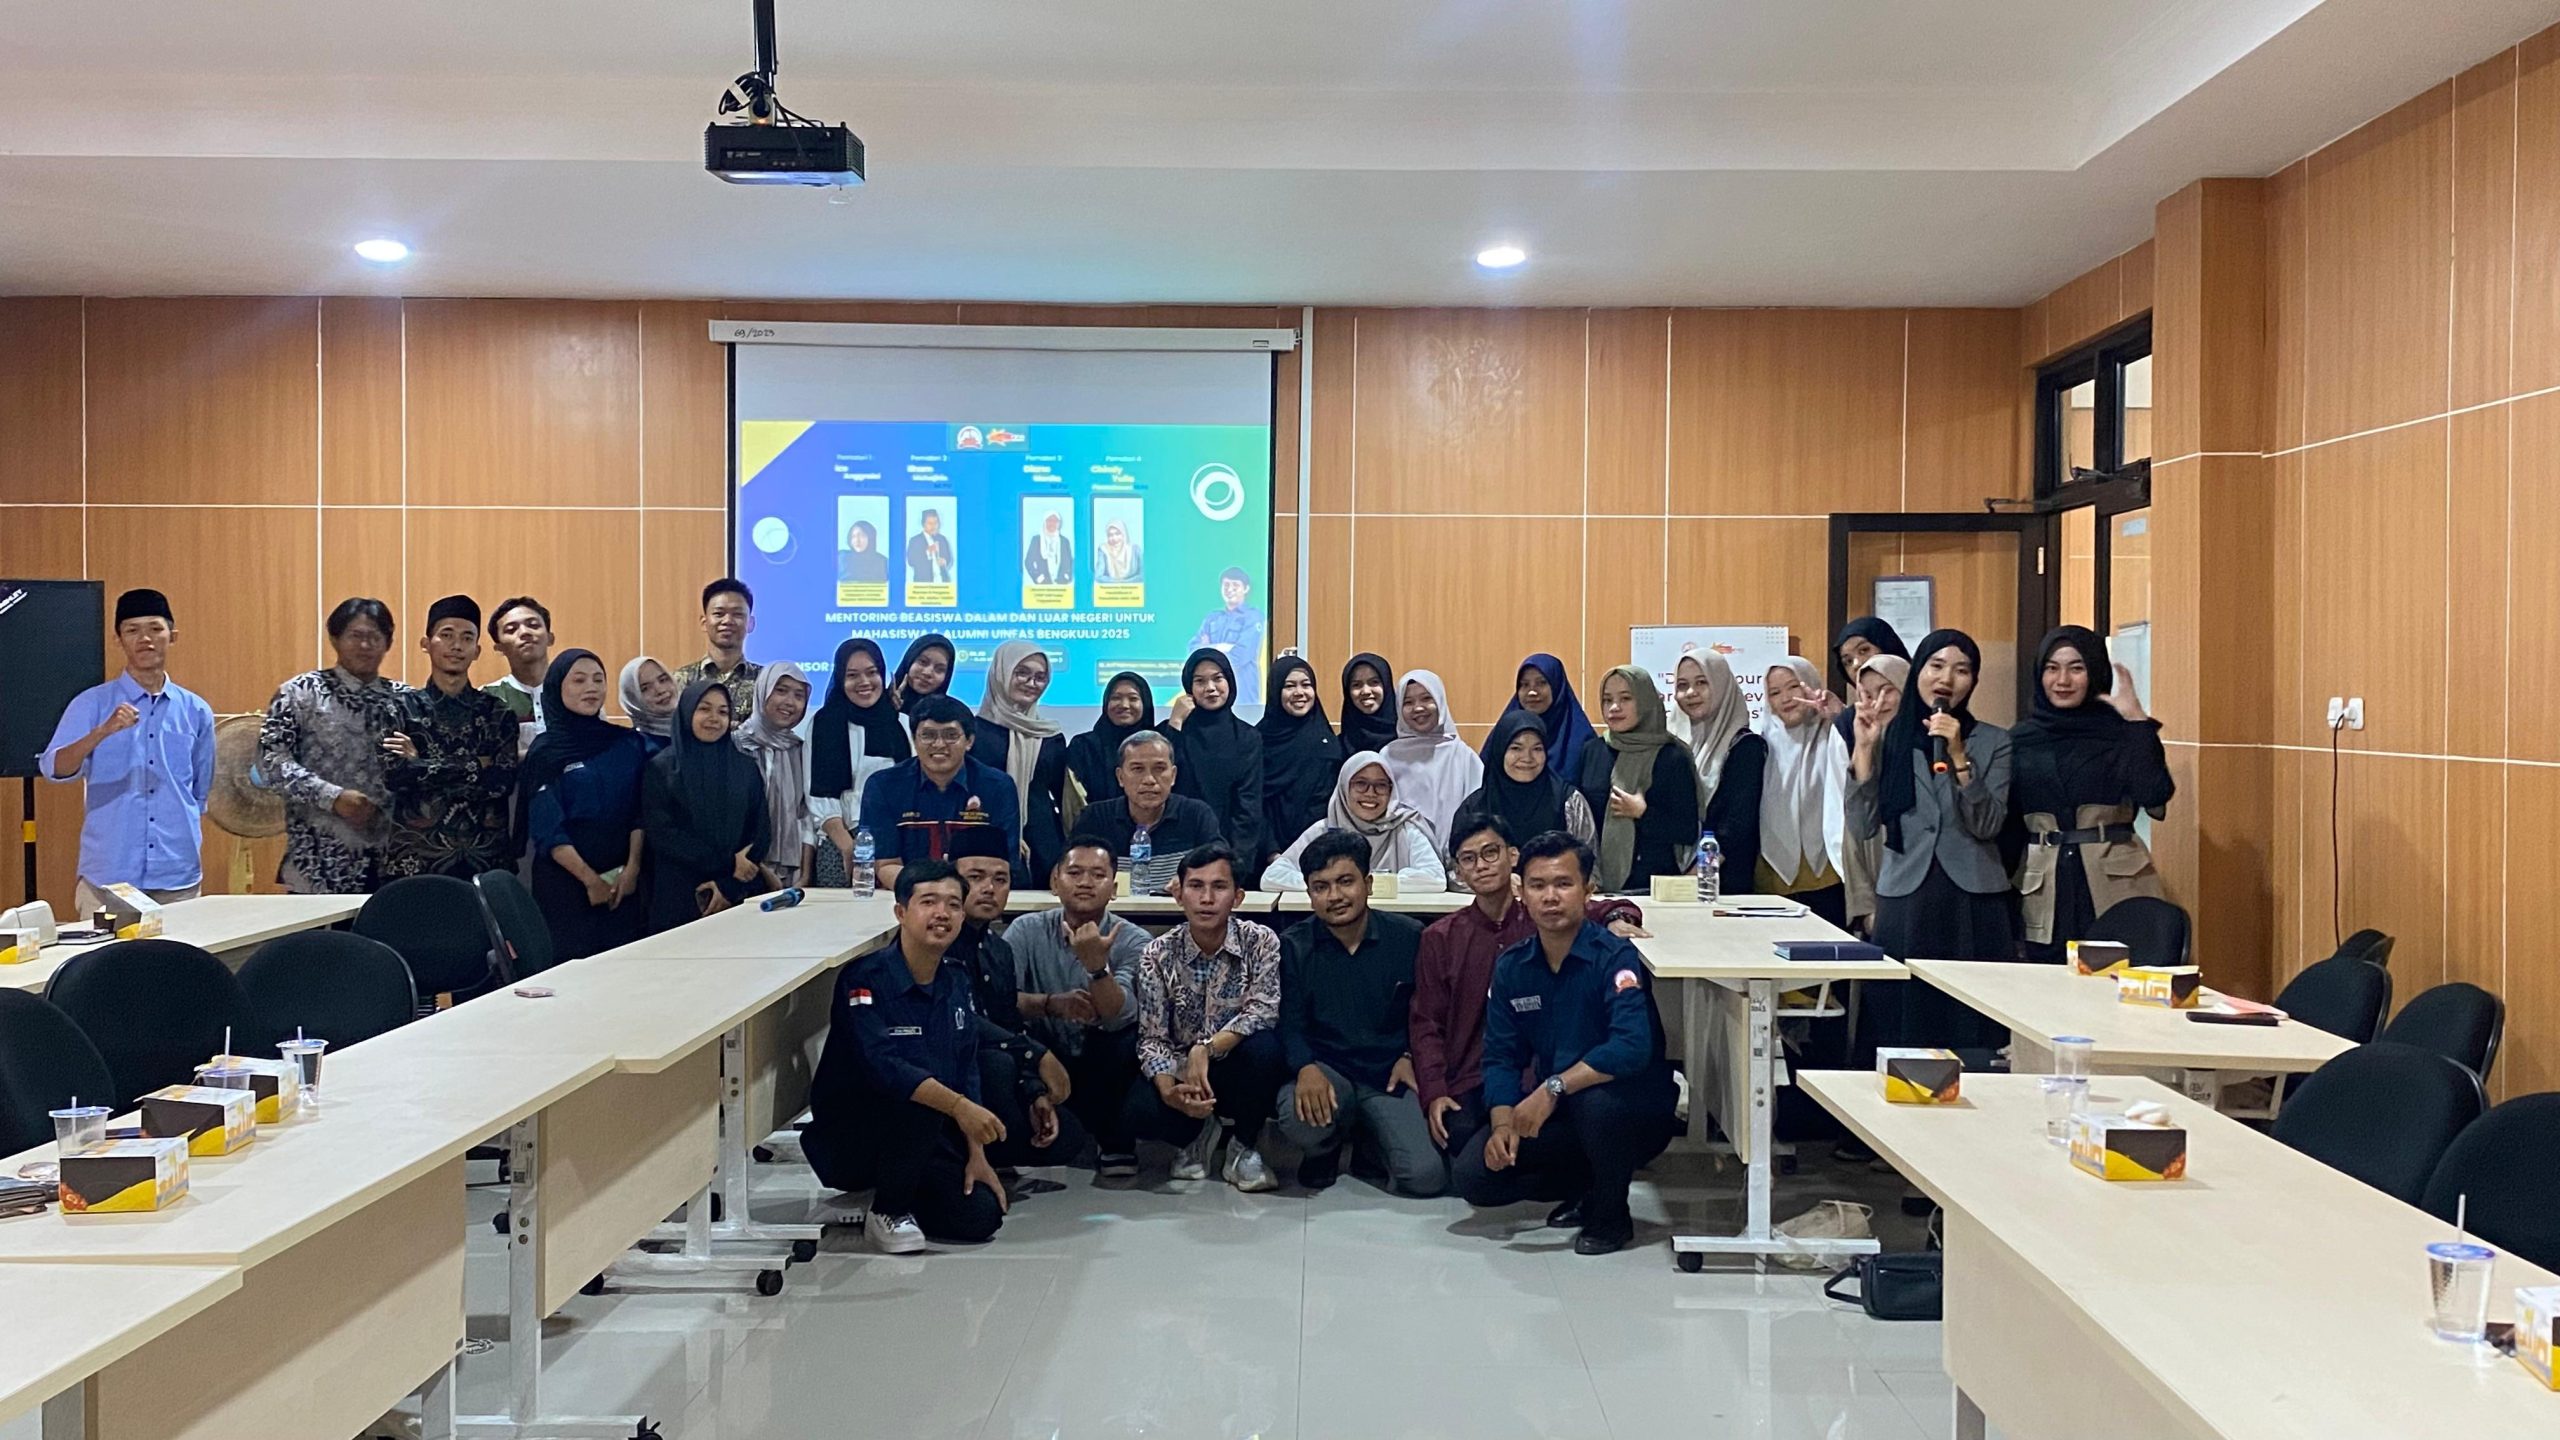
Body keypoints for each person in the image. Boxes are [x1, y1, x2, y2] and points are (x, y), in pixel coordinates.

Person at [1450, 831, 1679, 1257]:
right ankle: (1586, 1184)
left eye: (1563, 884)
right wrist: (1503, 1124)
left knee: (1597, 1105)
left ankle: (1611, 1216)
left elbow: (1631, 1047)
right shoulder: (1513, 966)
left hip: (1631, 1109)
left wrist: (1552, 1088)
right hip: (1564, 1110)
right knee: (1475, 1177)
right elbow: (1500, 1056)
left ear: (1588, 891)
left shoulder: (1614, 956)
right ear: (1522, 893)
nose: (1550, 897)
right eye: (1538, 885)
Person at [1414, 816, 1648, 1163]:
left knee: (1588, 1118)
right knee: (1465, 1152)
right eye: (1468, 858)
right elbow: (1426, 1022)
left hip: (1551, 1072)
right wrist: (1435, 1089)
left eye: (1490, 852)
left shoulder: (1547, 915)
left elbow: (1603, 905)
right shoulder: (1442, 938)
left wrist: (1618, 917)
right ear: (1458, 871)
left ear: (1512, 856)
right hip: (1478, 1074)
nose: (1481, 865)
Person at [803, 860, 1008, 1252]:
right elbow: (883, 1067)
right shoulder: (865, 978)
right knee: (921, 1094)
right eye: (928, 902)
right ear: (900, 912)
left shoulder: (956, 979)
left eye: (953, 904)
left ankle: (882, 1197)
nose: (942, 913)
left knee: (981, 1216)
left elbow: (966, 1067)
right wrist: (959, 1107)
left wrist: (976, 1153)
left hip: (922, 1137)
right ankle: (888, 1211)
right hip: (853, 1136)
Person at [1846, 629, 2016, 1054]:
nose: (1946, 679)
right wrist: (1863, 752)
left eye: (1961, 670)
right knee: (1903, 1021)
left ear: (1973, 681)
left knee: (1971, 1023)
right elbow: (1863, 827)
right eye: (1936, 666)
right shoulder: (1888, 737)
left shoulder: (1994, 741)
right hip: (1906, 895)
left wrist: (1959, 756)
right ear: (1918, 671)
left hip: (1973, 898)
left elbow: (1987, 824)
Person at [1273, 829, 1440, 1196]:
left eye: (1345, 882)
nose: (1334, 896)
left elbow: (1428, 1011)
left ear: (1369, 883)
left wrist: (1410, 1055)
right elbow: (1289, 1023)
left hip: (1388, 1075)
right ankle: (1325, 1149)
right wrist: (1305, 1067)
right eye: (1321, 887)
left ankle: (1370, 1140)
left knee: (1426, 1177)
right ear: (1309, 893)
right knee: (1297, 1118)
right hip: (1327, 1072)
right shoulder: (1294, 947)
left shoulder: (1410, 937)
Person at [40, 587, 216, 911]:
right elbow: (54, 768)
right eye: (132, 630)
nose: (144, 639)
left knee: (179, 947)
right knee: (102, 949)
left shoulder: (196, 710)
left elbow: (199, 791)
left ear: (173, 636)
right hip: (108, 878)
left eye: (155, 628)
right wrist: (102, 732)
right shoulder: (91, 703)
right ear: (117, 640)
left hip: (177, 876)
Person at [1122, 842, 1285, 1192]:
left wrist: (1207, 1048)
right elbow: (1152, 1037)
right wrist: (1168, 1089)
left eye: (1219, 887)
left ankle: (1243, 1146)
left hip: (1237, 1063)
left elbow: (1263, 1010)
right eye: (1196, 886)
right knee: (1139, 1110)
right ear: (1179, 894)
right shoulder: (1157, 954)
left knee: (1266, 1049)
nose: (1207, 898)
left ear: (1238, 897)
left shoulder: (1261, 942)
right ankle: (1198, 1134)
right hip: (1183, 1070)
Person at [2009, 626, 2174, 959]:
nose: (2062, 680)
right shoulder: (2020, 738)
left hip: (2115, 881)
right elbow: (2008, 825)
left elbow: (2155, 793)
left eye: (2076, 668)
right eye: (2052, 668)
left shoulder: (2123, 732)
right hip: (2044, 887)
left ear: (2095, 672)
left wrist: (2137, 722)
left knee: (2116, 981)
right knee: (2044, 982)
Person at [1004, 835, 1151, 1174]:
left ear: (1114, 888)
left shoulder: (1134, 940)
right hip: (1043, 1055)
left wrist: (1097, 968)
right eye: (1074, 873)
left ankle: (1115, 1141)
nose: (1085, 882)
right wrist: (1050, 1004)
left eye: (1098, 875)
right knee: (1005, 1040)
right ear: (1055, 882)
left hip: (1100, 1058)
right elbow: (999, 1002)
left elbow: (1120, 1014)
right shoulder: (1025, 930)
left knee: (1126, 1041)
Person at [943, 828, 1086, 1171]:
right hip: (942, 1073)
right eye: (975, 877)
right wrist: (1036, 1055)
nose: (989, 889)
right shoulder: (937, 940)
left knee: (1068, 1137)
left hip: (996, 1068)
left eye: (1000, 879)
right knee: (996, 1065)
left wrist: (1034, 1090)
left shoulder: (999, 949)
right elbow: (957, 1020)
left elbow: (1007, 1021)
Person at [260, 597, 405, 894]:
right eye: (355, 635)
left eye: (374, 637)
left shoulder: (406, 700)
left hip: (391, 862)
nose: (365, 645)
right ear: (335, 638)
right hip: (315, 864)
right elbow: (270, 763)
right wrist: (333, 797)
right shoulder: (300, 693)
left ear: (388, 643)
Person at [518, 649, 649, 960]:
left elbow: (640, 812)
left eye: (598, 679)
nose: (591, 688)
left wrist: (632, 869)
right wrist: (590, 880)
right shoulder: (546, 752)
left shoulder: (628, 742)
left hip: (625, 884)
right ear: (557, 687)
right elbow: (548, 829)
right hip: (566, 886)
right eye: (579, 680)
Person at [380, 595, 520, 880]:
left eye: (467, 638)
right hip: (414, 864)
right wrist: (476, 765)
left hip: (486, 865)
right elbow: (395, 776)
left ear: (477, 650)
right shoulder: (399, 708)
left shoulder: (498, 713)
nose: (457, 645)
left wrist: (420, 763)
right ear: (426, 643)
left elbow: (500, 784)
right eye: (446, 635)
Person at [856, 694, 1021, 890]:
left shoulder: (998, 787)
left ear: (969, 741)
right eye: (928, 735)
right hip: (910, 898)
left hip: (975, 897)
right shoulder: (884, 786)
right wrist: (934, 895)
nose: (939, 744)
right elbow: (885, 864)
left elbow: (1002, 865)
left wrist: (954, 897)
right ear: (914, 739)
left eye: (951, 735)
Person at [642, 680, 770, 932]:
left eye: (723, 712)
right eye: (704, 709)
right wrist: (728, 863)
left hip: (737, 893)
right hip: (682, 895)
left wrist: (729, 885)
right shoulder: (661, 769)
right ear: (687, 711)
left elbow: (761, 829)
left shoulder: (745, 767)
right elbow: (663, 834)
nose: (714, 718)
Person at [1575, 665, 1703, 894]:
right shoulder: (1593, 751)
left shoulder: (1672, 756)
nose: (1614, 707)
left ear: (1645, 701)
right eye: (1607, 700)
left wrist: (1643, 813)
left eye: (1625, 698)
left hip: (1655, 887)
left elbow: (1687, 830)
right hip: (1598, 885)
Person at [808, 638, 911, 888]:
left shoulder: (902, 725)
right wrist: (849, 847)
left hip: (897, 844)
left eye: (872, 672)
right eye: (852, 675)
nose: (864, 682)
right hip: (841, 842)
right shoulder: (824, 723)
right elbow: (818, 796)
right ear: (840, 679)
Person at [1753, 658, 1849, 925]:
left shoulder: (1836, 734)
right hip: (1771, 877)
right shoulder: (1760, 742)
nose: (1786, 698)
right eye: (1775, 692)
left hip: (1828, 873)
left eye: (1793, 686)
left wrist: (1841, 718)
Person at [1264, 753, 1446, 893]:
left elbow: (1436, 878)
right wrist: (1326, 884)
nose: (1371, 793)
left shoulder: (1404, 828)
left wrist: (1362, 884)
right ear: (1344, 787)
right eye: (1361, 783)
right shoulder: (1325, 830)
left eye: (1381, 785)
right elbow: (1272, 877)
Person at [1076, 731, 1224, 895]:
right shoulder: (1095, 817)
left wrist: (1192, 878)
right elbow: (1069, 870)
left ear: (1173, 775)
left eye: (1159, 769)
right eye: (1138, 769)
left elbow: (1222, 866)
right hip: (1113, 909)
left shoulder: (1196, 815)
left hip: (1176, 909)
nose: (1149, 780)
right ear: (1120, 777)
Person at [970, 641, 1068, 882]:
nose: (1031, 683)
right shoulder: (973, 732)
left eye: (1040, 677)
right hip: (988, 834)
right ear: (1001, 673)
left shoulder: (1051, 736)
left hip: (1043, 842)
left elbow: (1060, 795)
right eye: (1022, 673)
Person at [1668, 651, 1763, 898]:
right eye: (1682, 685)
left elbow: (1737, 824)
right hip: (1675, 879)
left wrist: (1695, 877)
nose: (1691, 693)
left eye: (1702, 682)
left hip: (1724, 884)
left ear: (1720, 685)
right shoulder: (1671, 746)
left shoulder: (1745, 747)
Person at [1166, 648, 1265, 868]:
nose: (1210, 688)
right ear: (1189, 688)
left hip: (1229, 851)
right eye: (1200, 681)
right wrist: (1175, 724)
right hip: (1175, 850)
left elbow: (1248, 806)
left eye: (1218, 678)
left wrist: (1237, 863)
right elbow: (1164, 781)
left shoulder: (1247, 737)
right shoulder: (1175, 731)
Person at [1839, 654, 1909, 936]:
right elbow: (1853, 834)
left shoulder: (1931, 747)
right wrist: (1866, 908)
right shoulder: (1865, 747)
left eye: (1887, 690)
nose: (1878, 702)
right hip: (1878, 899)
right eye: (1867, 695)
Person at [1453, 712, 1596, 849]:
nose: (1527, 758)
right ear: (1499, 751)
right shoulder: (1474, 808)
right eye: (1516, 748)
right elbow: (1458, 861)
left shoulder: (1569, 802)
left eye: (1537, 749)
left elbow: (1589, 859)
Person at [733, 664, 814, 888]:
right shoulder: (735, 745)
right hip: (741, 867)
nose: (790, 702)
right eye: (781, 691)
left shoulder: (801, 750)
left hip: (793, 872)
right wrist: (759, 864)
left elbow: (806, 815)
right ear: (762, 691)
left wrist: (805, 874)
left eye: (799, 696)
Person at [1380, 669, 1481, 848]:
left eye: (1426, 698)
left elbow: (1478, 814)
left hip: (1456, 857)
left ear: (1440, 700)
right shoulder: (1388, 755)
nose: (1418, 708)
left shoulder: (1463, 756)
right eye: (1408, 702)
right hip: (1401, 856)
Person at [1256, 654, 1342, 856]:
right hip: (1267, 854)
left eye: (1306, 685)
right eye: (1289, 686)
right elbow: (1253, 802)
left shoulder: (1327, 743)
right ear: (1275, 691)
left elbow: (1328, 804)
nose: (1299, 693)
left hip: (1317, 852)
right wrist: (1272, 852)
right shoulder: (1257, 741)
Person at [1480, 654, 1594, 784]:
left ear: (1557, 686)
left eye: (1541, 683)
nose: (1532, 692)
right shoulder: (1503, 735)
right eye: (1525, 684)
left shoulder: (1583, 741)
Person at [1066, 671, 1155, 807]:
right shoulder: (1084, 746)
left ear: (1145, 704)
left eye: (1133, 698)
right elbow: (1074, 800)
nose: (1124, 705)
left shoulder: (1158, 747)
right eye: (1116, 698)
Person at [674, 579, 761, 717]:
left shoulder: (764, 681)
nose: (727, 621)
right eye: (719, 614)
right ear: (704, 623)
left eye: (737, 614)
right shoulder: (681, 680)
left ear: (751, 623)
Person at [1188, 568, 1266, 705]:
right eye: (1226, 585)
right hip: (1210, 696)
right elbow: (1193, 649)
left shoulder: (1253, 617)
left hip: (1243, 695)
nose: (1230, 590)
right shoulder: (1212, 618)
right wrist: (1222, 647)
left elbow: (1241, 655)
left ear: (1246, 588)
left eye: (1235, 586)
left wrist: (1208, 648)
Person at [1830, 617, 1909, 748]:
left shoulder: (1928, 707)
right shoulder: (1847, 722)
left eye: (1864, 650)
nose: (1856, 664)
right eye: (1848, 661)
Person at [484, 596, 554, 743]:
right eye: (511, 629)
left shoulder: (576, 690)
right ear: (499, 648)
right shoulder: (486, 698)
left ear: (550, 638)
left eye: (533, 625)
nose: (524, 632)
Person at [1338, 653, 1398, 755]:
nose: (1366, 691)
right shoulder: (1338, 748)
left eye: (1374, 682)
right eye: (1356, 685)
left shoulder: (1405, 742)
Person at [617, 656, 678, 753]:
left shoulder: (696, 730)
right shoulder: (636, 748)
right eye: (645, 689)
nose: (660, 690)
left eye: (663, 680)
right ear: (633, 699)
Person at [889, 632, 956, 715]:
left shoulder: (952, 716)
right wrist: (888, 709)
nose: (928, 673)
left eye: (939, 669)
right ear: (909, 661)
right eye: (923, 662)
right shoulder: (877, 703)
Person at [1021, 511, 1074, 585]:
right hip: (1043, 584)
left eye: (1055, 521)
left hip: (1061, 584)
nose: (1052, 523)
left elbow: (1070, 561)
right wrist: (1037, 578)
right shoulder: (1036, 540)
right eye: (1049, 520)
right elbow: (1028, 561)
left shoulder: (1064, 541)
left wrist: (1068, 576)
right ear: (1045, 522)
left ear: (1059, 524)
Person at [908, 509, 956, 584]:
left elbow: (949, 558)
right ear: (923, 524)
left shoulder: (942, 539)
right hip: (923, 585)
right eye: (930, 523)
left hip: (943, 583)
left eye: (936, 523)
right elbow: (911, 561)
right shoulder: (915, 541)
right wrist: (928, 553)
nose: (934, 526)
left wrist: (945, 561)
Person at [839, 520, 889, 585]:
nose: (857, 540)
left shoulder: (882, 562)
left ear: (871, 538)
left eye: (862, 536)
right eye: (853, 536)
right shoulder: (842, 558)